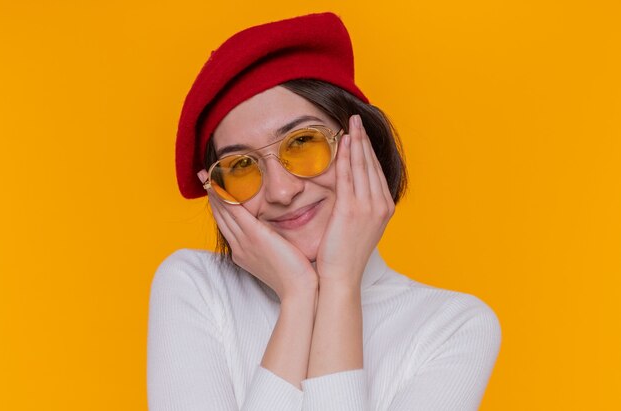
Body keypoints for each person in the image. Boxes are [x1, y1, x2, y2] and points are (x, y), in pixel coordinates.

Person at [147, 12, 501, 411]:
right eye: (242, 166)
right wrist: (299, 297)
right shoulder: (196, 287)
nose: (281, 190)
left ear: (361, 141)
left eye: (302, 142)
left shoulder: (453, 327)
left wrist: (338, 285)